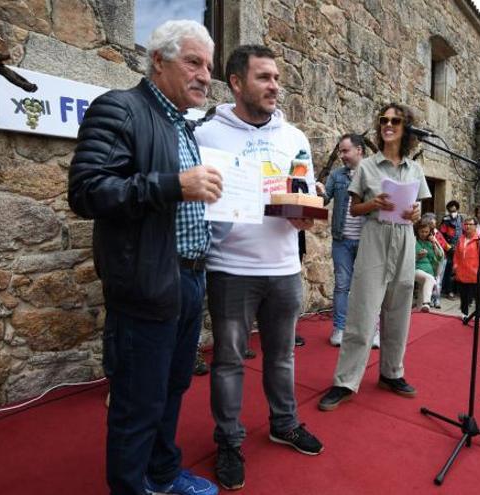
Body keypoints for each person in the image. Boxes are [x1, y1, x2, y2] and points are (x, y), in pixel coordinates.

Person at [68, 20, 222, 495]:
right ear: (158, 60)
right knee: (137, 402)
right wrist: (174, 185)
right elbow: (87, 191)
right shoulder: (120, 108)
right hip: (146, 283)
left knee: (173, 388)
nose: (204, 76)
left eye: (209, 67)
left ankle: (161, 475)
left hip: (190, 281)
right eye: (193, 62)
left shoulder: (182, 123)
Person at [193, 45, 323, 491]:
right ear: (236, 83)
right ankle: (229, 440)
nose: (275, 86)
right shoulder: (205, 134)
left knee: (283, 357)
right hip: (229, 268)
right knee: (228, 360)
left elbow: (302, 199)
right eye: (264, 78)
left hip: (285, 267)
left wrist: (308, 210)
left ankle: (283, 424)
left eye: (276, 78)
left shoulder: (295, 137)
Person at [317, 102, 429, 412]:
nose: (388, 125)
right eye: (383, 120)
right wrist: (374, 203)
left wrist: (417, 212)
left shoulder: (415, 169)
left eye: (395, 120)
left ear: (406, 128)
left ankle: (392, 373)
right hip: (375, 236)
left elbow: (419, 213)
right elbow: (354, 209)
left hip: (405, 238)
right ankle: (345, 381)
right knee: (362, 312)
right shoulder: (367, 166)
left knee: (399, 311)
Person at [317, 133, 366, 347]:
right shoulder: (337, 175)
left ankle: (371, 330)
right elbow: (324, 199)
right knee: (342, 286)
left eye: (345, 151)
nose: (342, 155)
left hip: (368, 241)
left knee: (368, 287)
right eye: (340, 151)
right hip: (342, 241)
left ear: (359, 150)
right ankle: (339, 328)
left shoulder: (374, 174)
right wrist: (319, 191)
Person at [452, 217, 480, 319]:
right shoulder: (461, 239)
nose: (467, 226)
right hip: (462, 272)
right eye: (466, 224)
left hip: (475, 273)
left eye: (470, 224)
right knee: (463, 294)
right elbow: (456, 254)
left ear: (475, 226)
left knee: (478, 295)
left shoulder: (479, 240)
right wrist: (455, 265)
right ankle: (464, 312)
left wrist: (477, 269)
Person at [414, 219, 444, 312]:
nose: (424, 234)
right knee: (430, 279)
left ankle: (420, 311)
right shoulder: (413, 240)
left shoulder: (430, 242)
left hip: (429, 271)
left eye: (426, 232)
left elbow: (440, 257)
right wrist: (417, 256)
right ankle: (427, 303)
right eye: (422, 231)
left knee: (422, 294)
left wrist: (435, 243)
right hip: (416, 269)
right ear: (417, 231)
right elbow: (407, 257)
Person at [438, 200, 463, 299]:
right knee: (448, 270)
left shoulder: (461, 218)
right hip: (449, 248)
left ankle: (456, 290)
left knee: (457, 270)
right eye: (450, 209)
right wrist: (447, 247)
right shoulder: (446, 219)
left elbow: (463, 232)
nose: (453, 210)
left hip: (459, 247)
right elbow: (441, 234)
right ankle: (448, 291)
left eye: (454, 208)